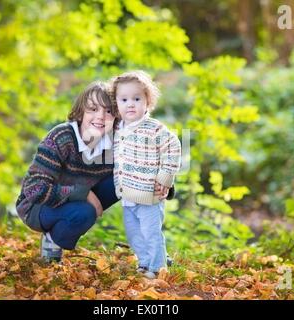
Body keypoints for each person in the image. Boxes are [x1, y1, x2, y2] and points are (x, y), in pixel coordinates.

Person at [15, 81, 170, 263]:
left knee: (137, 178)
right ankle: (52, 240)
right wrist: (84, 193)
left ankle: (153, 253)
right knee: (84, 212)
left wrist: (162, 182)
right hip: (39, 208)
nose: (100, 117)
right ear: (81, 112)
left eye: (108, 111)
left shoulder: (118, 142)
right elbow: (34, 190)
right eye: (93, 109)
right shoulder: (61, 137)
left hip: (78, 200)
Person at [111, 71, 182, 279]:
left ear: (148, 101)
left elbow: (174, 147)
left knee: (151, 233)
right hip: (127, 195)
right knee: (134, 234)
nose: (130, 104)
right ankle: (144, 262)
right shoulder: (118, 128)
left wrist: (165, 178)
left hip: (150, 194)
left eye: (136, 99)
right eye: (124, 99)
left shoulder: (154, 129)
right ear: (116, 103)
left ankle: (157, 267)